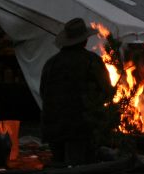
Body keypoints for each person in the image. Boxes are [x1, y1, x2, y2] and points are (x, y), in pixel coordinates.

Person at [39, 17, 114, 165]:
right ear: (84, 41)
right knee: (82, 169)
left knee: (59, 167)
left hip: (54, 127)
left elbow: (44, 93)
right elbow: (107, 93)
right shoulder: (92, 61)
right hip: (83, 129)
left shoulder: (51, 63)